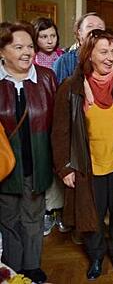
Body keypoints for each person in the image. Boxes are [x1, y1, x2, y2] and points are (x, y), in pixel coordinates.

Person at [51, 29, 113, 280]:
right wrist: (65, 168)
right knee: (90, 215)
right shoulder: (70, 88)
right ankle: (96, 257)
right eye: (104, 51)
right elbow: (60, 133)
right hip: (87, 166)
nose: (110, 56)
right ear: (89, 54)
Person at [0, 21, 57, 284]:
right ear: (2, 51)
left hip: (37, 163)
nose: (27, 52)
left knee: (34, 217)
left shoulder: (46, 78)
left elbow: (57, 124)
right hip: (5, 167)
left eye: (30, 47)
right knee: (8, 219)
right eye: (18, 47)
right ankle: (12, 270)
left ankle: (32, 266)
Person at [30, 17, 69, 236]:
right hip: (39, 119)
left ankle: (59, 209)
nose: (49, 40)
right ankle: (46, 211)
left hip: (57, 115)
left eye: (52, 35)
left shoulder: (62, 57)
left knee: (58, 166)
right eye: (43, 36)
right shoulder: (32, 58)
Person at [52, 12, 105, 84]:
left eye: (100, 27)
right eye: (90, 26)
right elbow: (60, 93)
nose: (95, 30)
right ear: (80, 33)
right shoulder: (65, 61)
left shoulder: (111, 60)